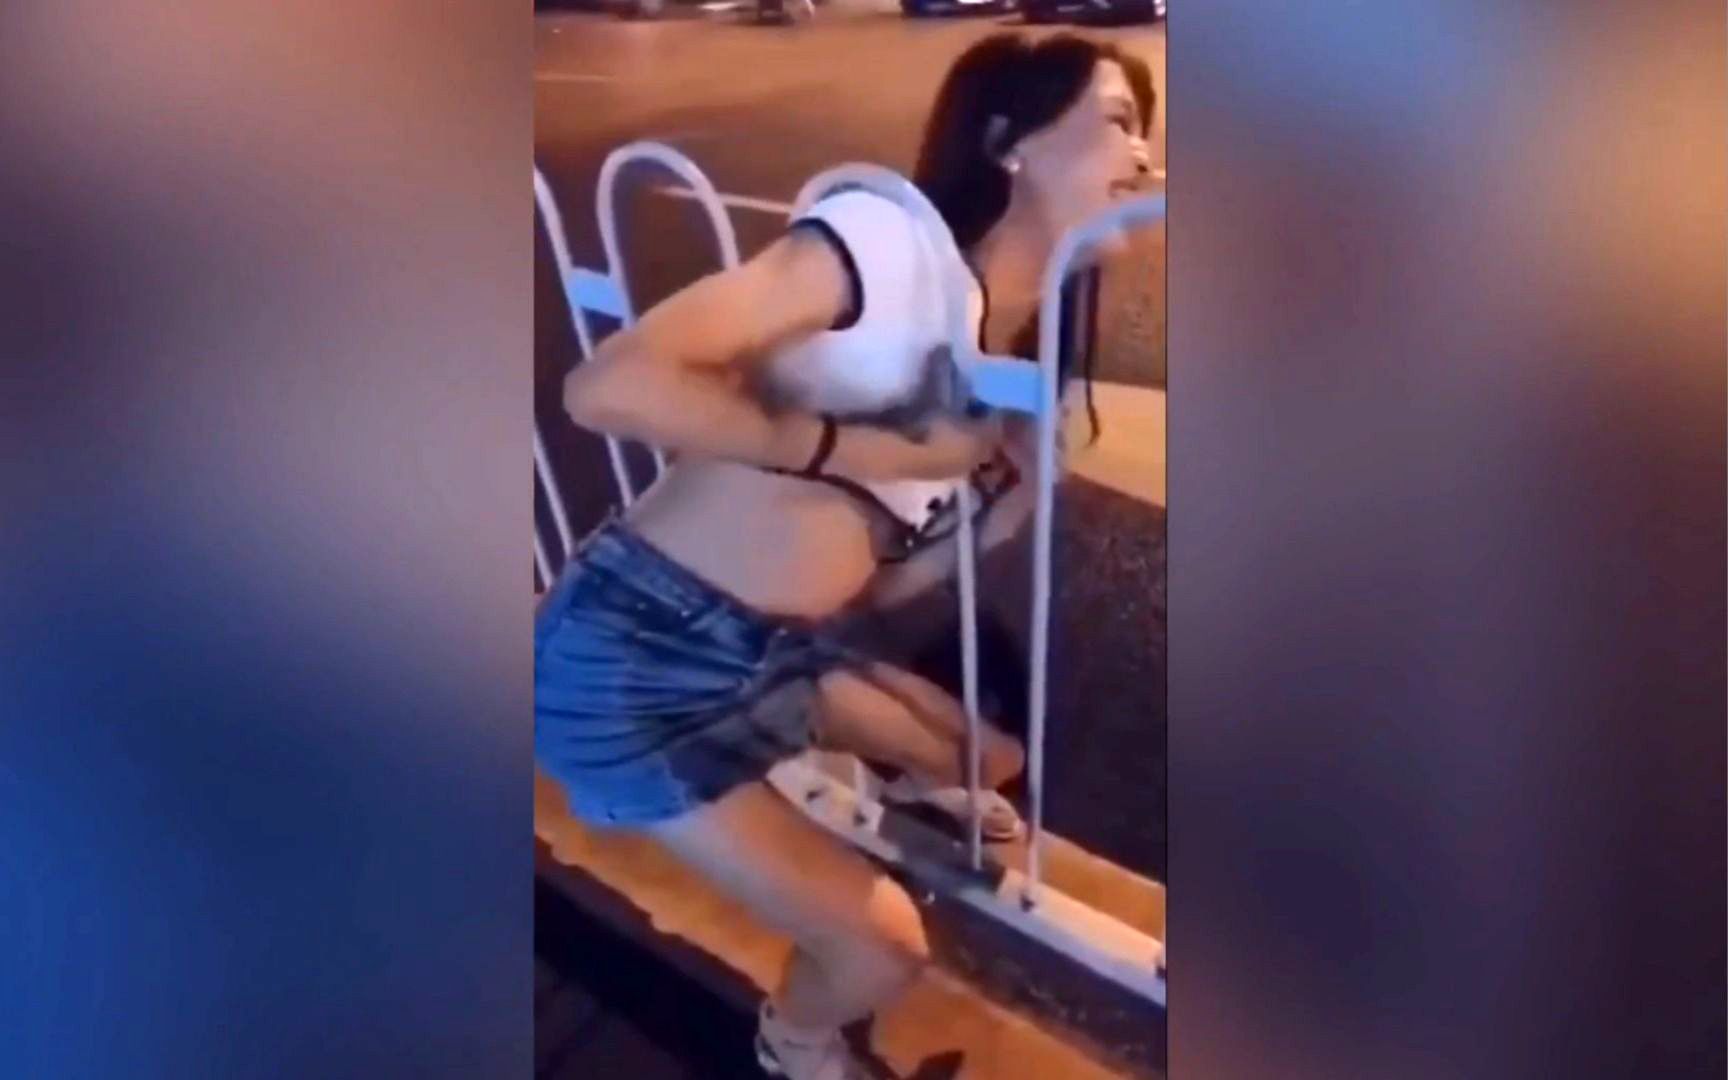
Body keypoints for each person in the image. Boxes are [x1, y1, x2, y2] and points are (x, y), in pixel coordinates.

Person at [536, 32, 1155, 1080]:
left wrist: (986, 510)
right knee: (881, 950)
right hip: (630, 662)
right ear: (1008, 141)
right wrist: (875, 452)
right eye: (1119, 123)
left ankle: (856, 769)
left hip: (767, 647)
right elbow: (609, 386)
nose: (1144, 157)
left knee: (988, 766)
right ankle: (797, 1047)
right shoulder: (885, 245)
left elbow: (890, 576)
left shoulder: (1011, 361)